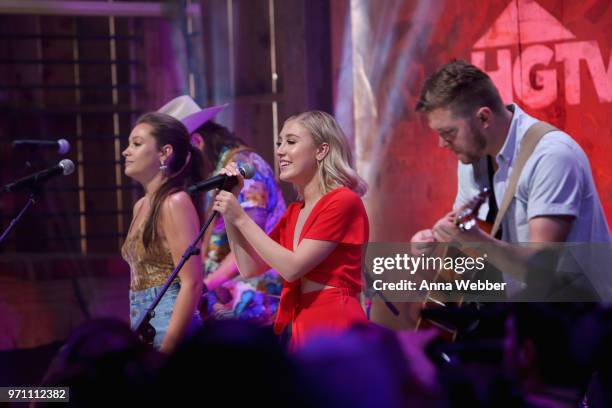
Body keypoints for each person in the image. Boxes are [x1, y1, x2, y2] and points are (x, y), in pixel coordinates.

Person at [411, 60, 612, 298]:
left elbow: (542, 270)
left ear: (484, 118)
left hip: (581, 320)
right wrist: (434, 245)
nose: (442, 144)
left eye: (448, 133)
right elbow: (471, 253)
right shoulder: (471, 158)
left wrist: (473, 238)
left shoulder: (551, 156)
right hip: (524, 315)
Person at [213, 110, 369, 349]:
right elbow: (248, 267)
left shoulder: (342, 201)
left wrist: (241, 218)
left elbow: (292, 268)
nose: (280, 151)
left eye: (291, 142)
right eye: (279, 143)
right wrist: (231, 213)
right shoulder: (295, 212)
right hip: (302, 320)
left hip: (335, 320)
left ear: (321, 150)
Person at [158, 95, 286, 323]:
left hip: (257, 294)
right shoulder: (218, 171)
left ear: (197, 142)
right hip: (228, 294)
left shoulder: (245, 167)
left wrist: (204, 285)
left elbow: (249, 245)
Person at [121, 112, 204, 352]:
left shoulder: (175, 202)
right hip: (144, 328)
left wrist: (167, 350)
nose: (126, 151)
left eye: (136, 144)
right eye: (129, 144)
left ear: (164, 152)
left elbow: (192, 283)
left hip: (172, 330)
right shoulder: (141, 205)